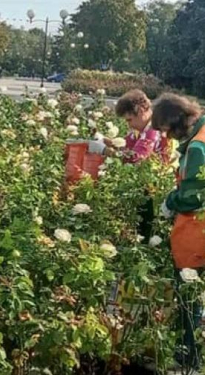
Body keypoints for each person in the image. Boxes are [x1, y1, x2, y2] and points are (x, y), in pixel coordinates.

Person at [152, 94, 205, 372]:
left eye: (165, 130)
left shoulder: (197, 147)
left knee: (189, 298)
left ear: (176, 122)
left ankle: (189, 359)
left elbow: (193, 198)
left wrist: (171, 201)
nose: (167, 137)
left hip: (196, 232)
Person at [89, 89, 172, 242]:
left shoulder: (153, 130)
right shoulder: (141, 129)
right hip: (146, 184)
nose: (129, 124)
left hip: (155, 189)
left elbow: (135, 157)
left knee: (148, 227)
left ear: (141, 111)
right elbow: (127, 145)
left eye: (129, 120)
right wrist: (103, 139)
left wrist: (104, 150)